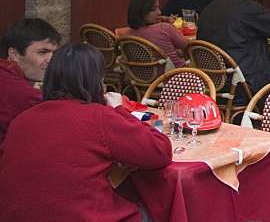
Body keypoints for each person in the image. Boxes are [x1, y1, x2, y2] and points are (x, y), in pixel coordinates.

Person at [0, 42, 172, 222]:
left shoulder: (21, 120)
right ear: (96, 80)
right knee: (156, 210)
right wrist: (119, 110)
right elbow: (160, 152)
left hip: (15, 216)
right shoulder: (99, 117)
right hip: (82, 216)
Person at [0, 18, 60, 146]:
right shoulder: (19, 91)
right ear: (14, 54)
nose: (51, 60)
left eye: (53, 53)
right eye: (42, 52)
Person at [125, 0, 188, 69]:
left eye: (158, 8)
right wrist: (170, 24)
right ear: (141, 12)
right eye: (153, 9)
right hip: (176, 75)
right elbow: (187, 47)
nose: (159, 12)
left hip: (144, 78)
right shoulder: (164, 28)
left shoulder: (126, 36)